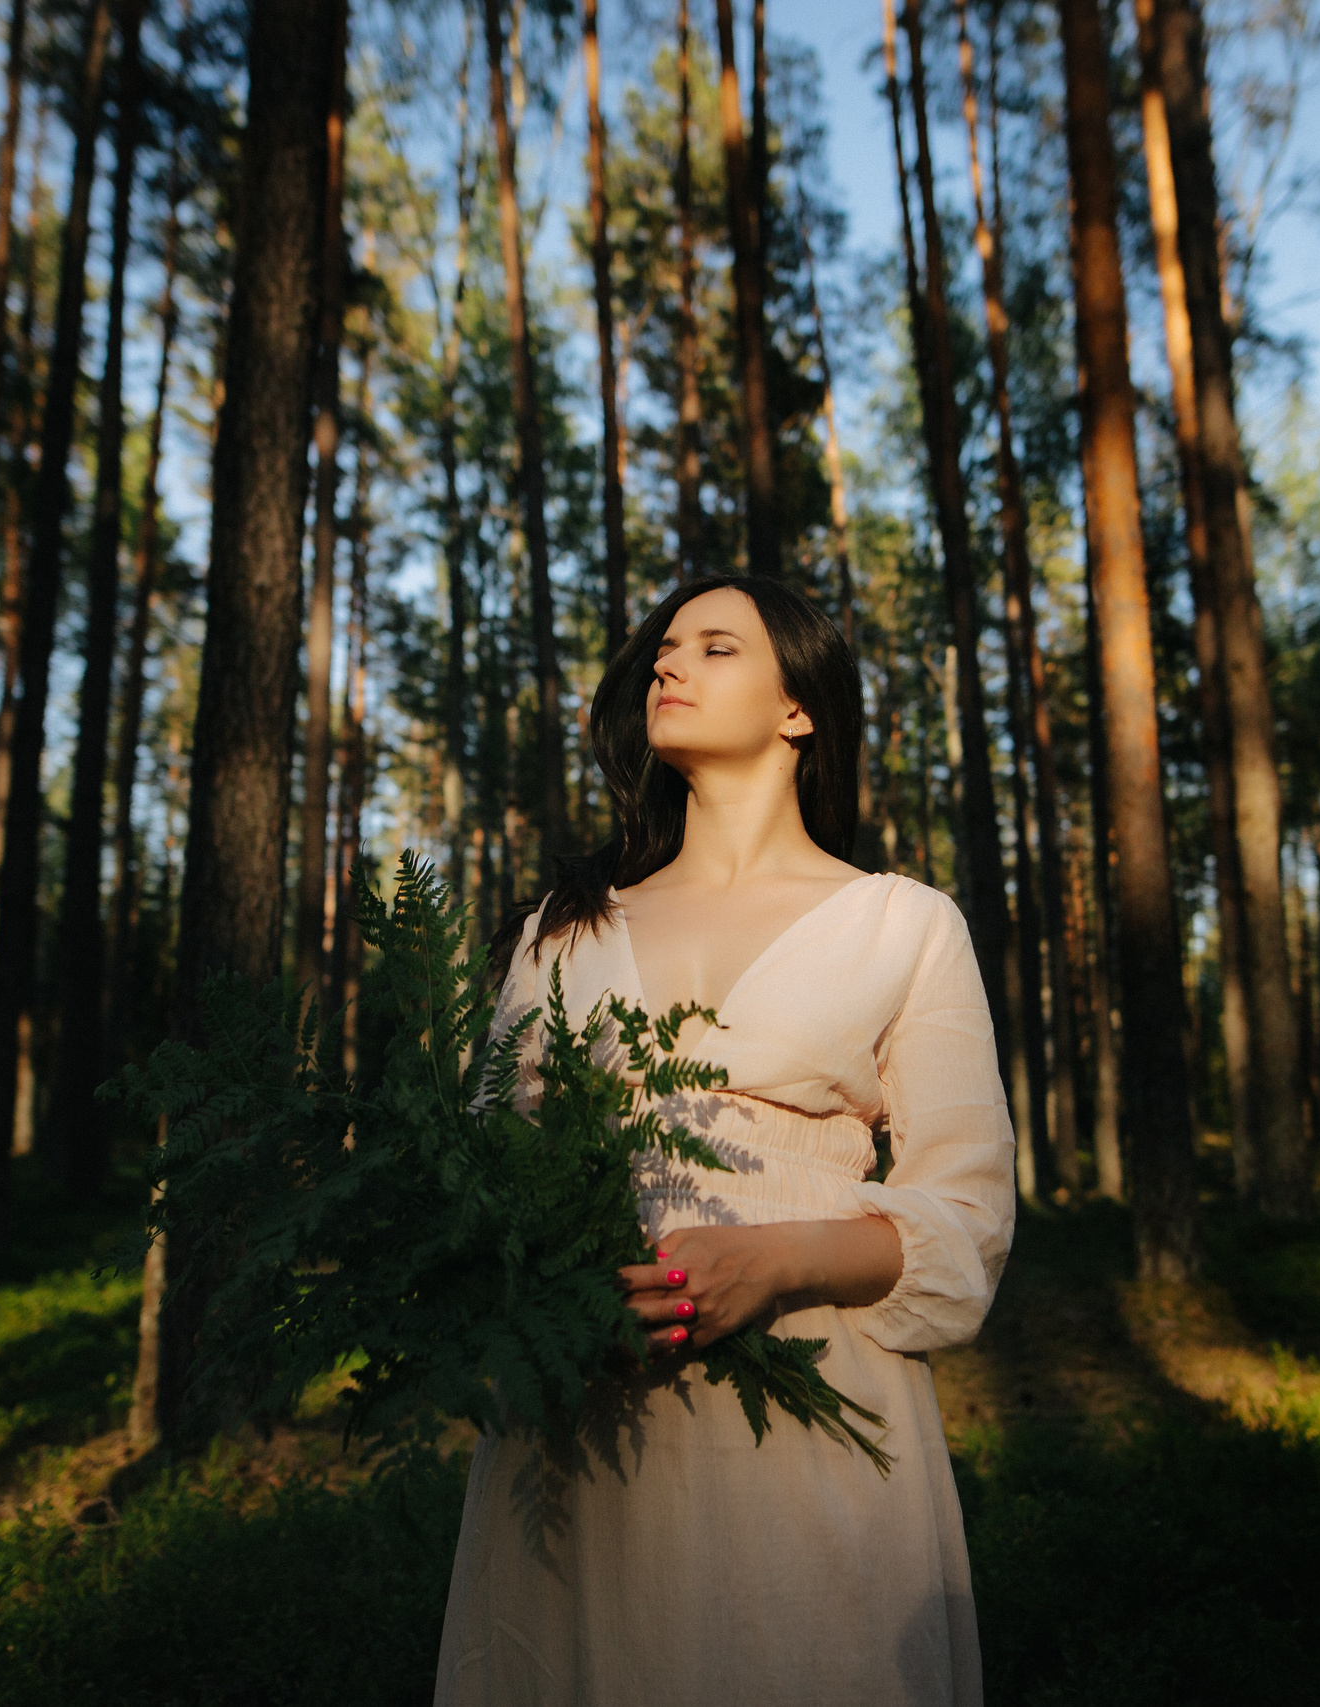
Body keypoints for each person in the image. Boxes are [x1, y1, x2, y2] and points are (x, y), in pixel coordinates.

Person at [434, 575, 1017, 1706]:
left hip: (808, 1395)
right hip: (582, 1425)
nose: (667, 664)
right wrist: (549, 1294)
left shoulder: (903, 923)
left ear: (798, 708)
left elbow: (968, 1224)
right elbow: (481, 1182)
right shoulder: (565, 930)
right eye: (662, 649)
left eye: (714, 647)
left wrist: (779, 1261)